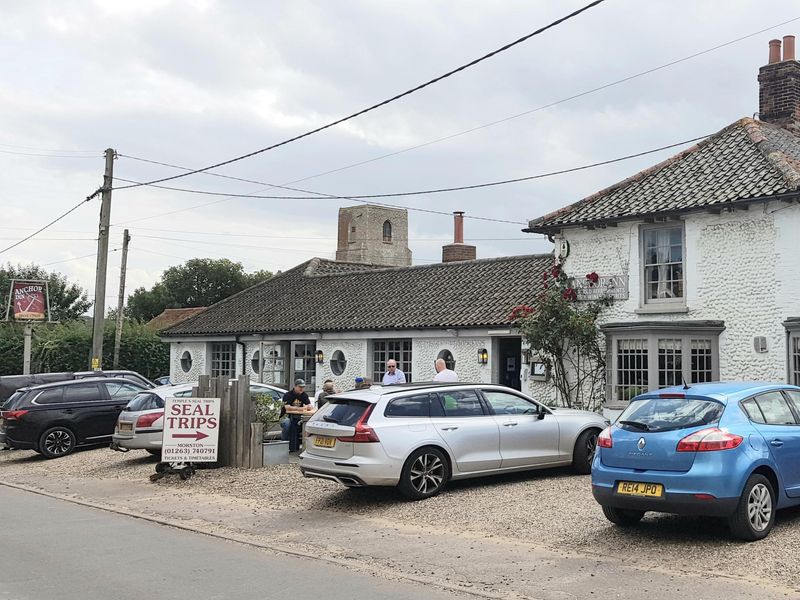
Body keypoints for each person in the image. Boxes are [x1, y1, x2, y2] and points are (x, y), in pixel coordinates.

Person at [281, 379, 313, 452]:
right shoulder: (288, 395)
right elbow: (287, 407)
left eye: (303, 387)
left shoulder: (304, 395)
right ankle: (283, 445)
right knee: (287, 423)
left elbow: (310, 406)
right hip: (286, 416)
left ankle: (300, 447)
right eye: (300, 387)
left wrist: (307, 407)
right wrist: (301, 408)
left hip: (298, 417)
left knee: (304, 425)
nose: (302, 389)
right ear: (295, 386)